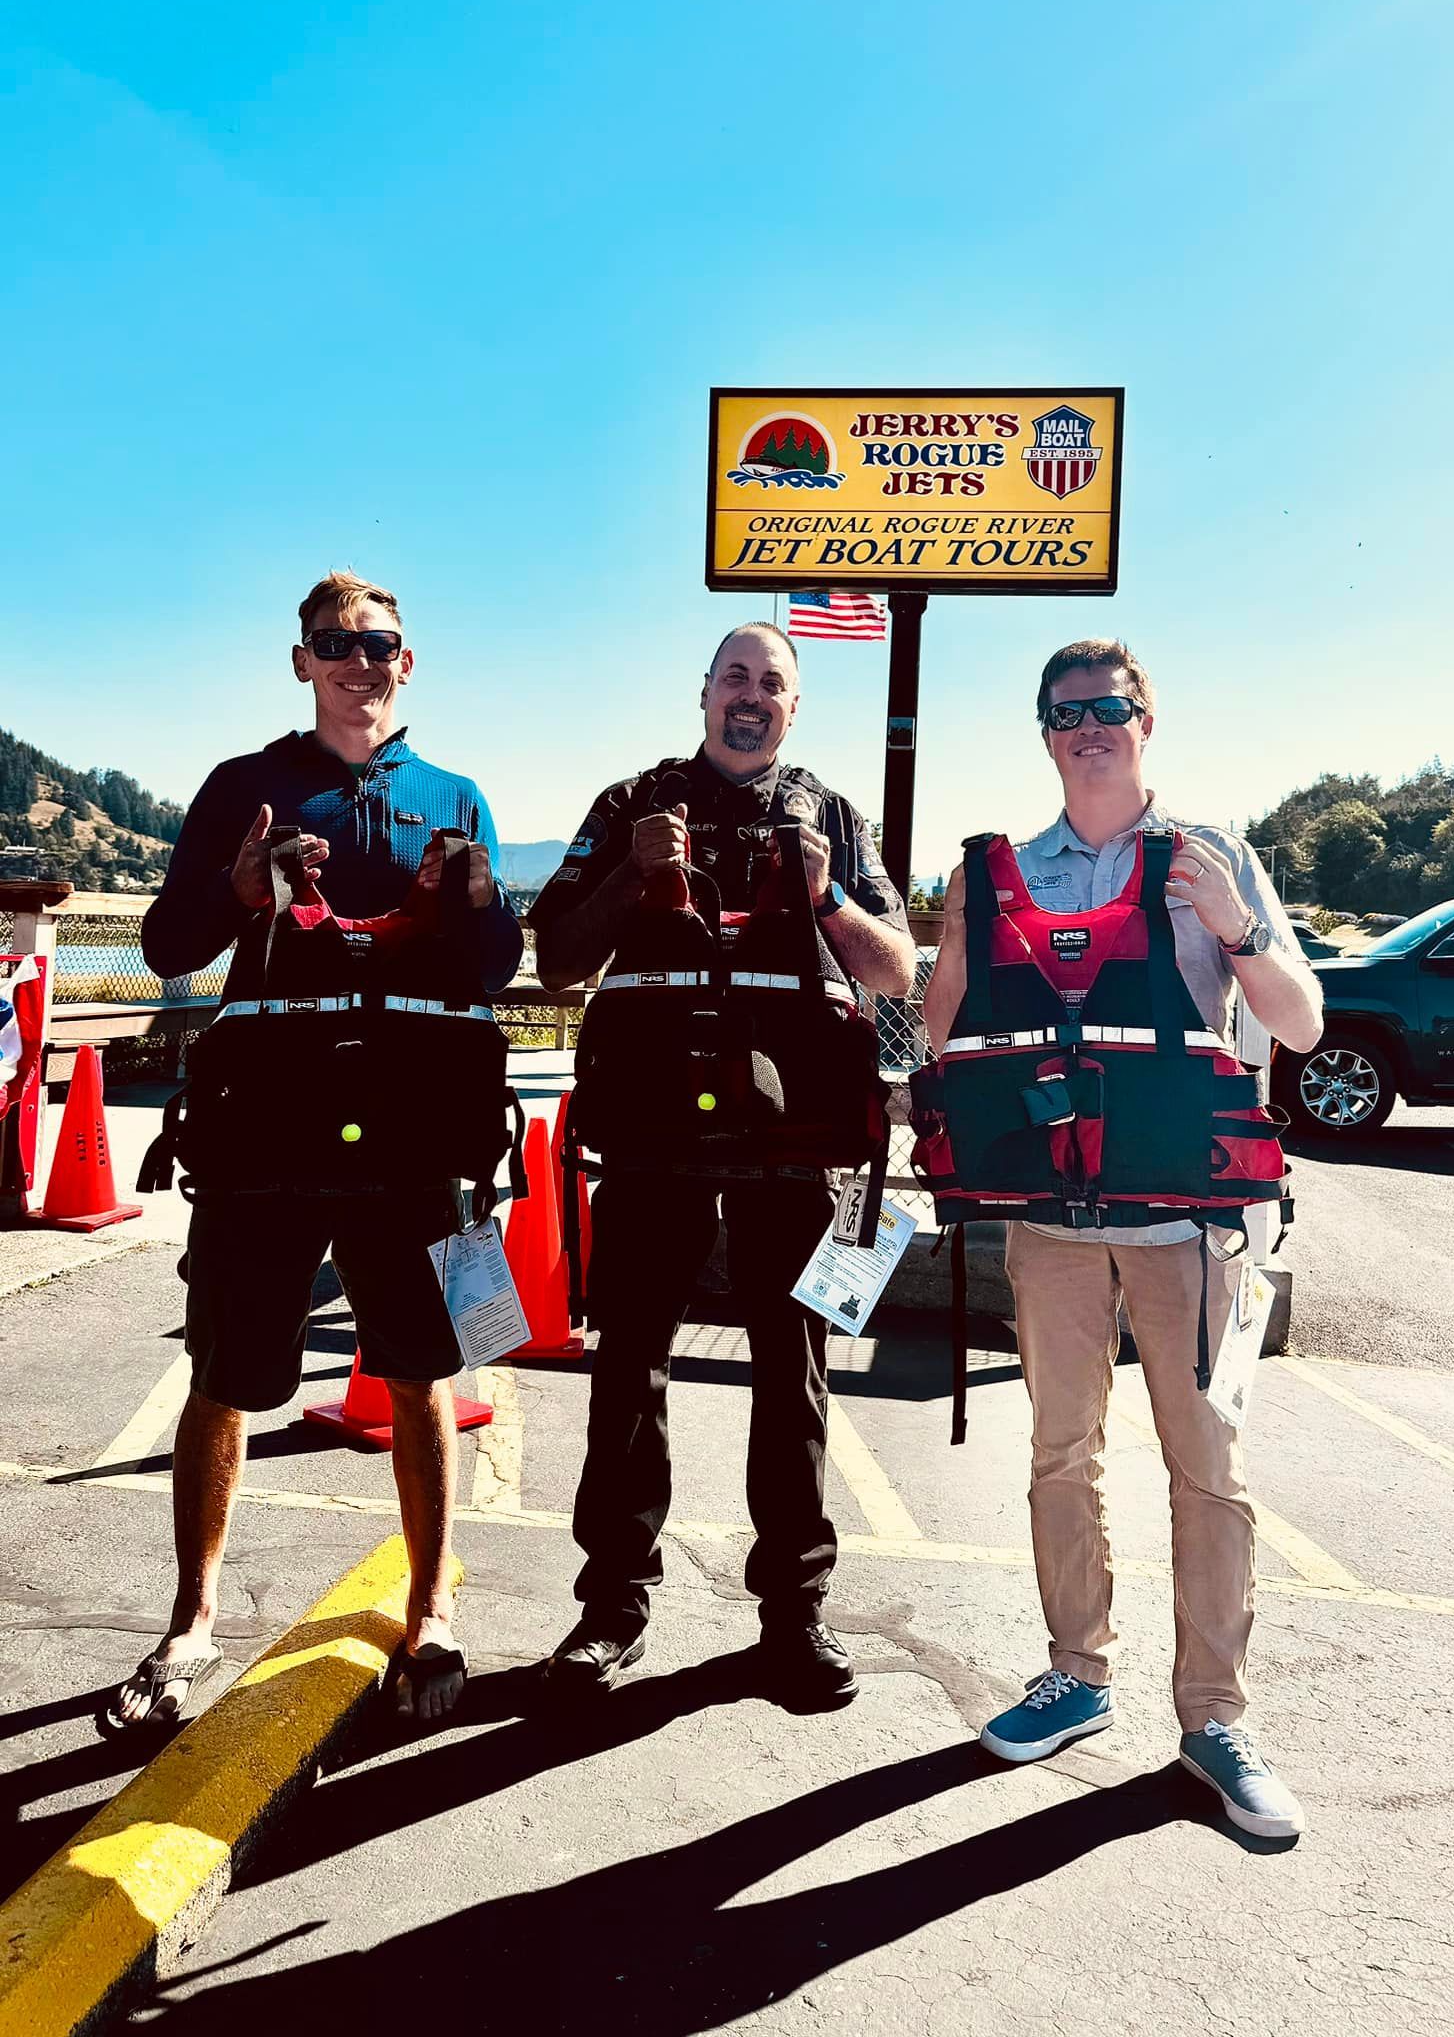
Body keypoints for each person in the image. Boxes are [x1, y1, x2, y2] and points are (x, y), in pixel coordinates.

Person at [107, 570, 522, 1732]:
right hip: (267, 1123)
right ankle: (191, 1619)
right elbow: (165, 947)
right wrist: (237, 887)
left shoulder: (454, 796)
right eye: (335, 643)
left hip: (412, 1128)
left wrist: (474, 905)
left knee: (422, 1371)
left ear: (407, 661)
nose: (358, 661)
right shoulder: (243, 786)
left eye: (378, 643)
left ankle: (430, 1611)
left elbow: (491, 968)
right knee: (224, 1376)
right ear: (301, 661)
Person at [922, 638, 1323, 1838]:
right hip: (1050, 1220)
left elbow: (1299, 1024)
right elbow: (943, 1034)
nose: (1087, 724)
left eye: (1107, 705)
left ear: (1145, 718)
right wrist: (956, 951)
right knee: (1059, 1451)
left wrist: (1234, 927)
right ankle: (1075, 1671)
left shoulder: (1212, 856)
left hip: (1188, 1223)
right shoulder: (996, 872)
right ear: (1044, 732)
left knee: (1206, 1467)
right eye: (1065, 711)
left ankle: (1212, 1717)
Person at [529, 622, 915, 1704]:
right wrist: (630, 876)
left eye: (770, 683)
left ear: (793, 705)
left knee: (793, 1374)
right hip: (651, 1130)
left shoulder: (833, 814)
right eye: (734, 677)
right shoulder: (632, 802)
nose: (750, 696)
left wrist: (828, 895)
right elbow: (556, 962)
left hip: (793, 1141)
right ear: (703, 692)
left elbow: (895, 970)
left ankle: (793, 1613)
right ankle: (611, 1607)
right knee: (627, 1368)